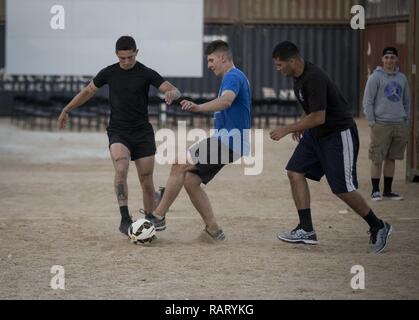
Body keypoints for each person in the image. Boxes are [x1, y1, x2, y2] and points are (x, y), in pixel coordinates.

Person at [270, 41, 392, 253]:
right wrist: (302, 124)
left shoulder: (314, 77)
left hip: (337, 134)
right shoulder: (297, 77)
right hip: (316, 135)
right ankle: (306, 229)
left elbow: (319, 116)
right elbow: (311, 109)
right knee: (294, 171)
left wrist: (288, 129)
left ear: (292, 60)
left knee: (342, 189)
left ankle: (378, 225)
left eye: (280, 65)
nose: (277, 69)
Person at [57, 36, 180, 235]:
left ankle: (150, 218)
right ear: (116, 55)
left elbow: (173, 89)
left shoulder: (146, 73)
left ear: (136, 52)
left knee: (146, 178)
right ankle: (125, 219)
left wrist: (171, 94)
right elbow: (88, 91)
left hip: (142, 133)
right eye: (122, 58)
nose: (126, 62)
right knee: (121, 169)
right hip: (118, 131)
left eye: (130, 57)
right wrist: (67, 109)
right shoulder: (109, 72)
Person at [144, 40, 251, 240]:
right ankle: (213, 230)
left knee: (179, 163)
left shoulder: (232, 76)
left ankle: (158, 216)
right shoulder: (235, 77)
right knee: (191, 180)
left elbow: (226, 100)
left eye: (211, 60)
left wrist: (199, 107)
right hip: (228, 141)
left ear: (223, 58)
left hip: (229, 141)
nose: (209, 65)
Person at [363, 46, 410, 201]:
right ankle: (375, 191)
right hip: (381, 124)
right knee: (377, 158)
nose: (389, 60)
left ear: (396, 59)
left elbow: (406, 101)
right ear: (382, 59)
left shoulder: (402, 78)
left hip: (399, 124)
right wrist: (372, 122)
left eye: (392, 57)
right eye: (387, 57)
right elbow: (368, 101)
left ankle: (388, 191)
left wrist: (406, 120)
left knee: (392, 158)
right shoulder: (375, 77)